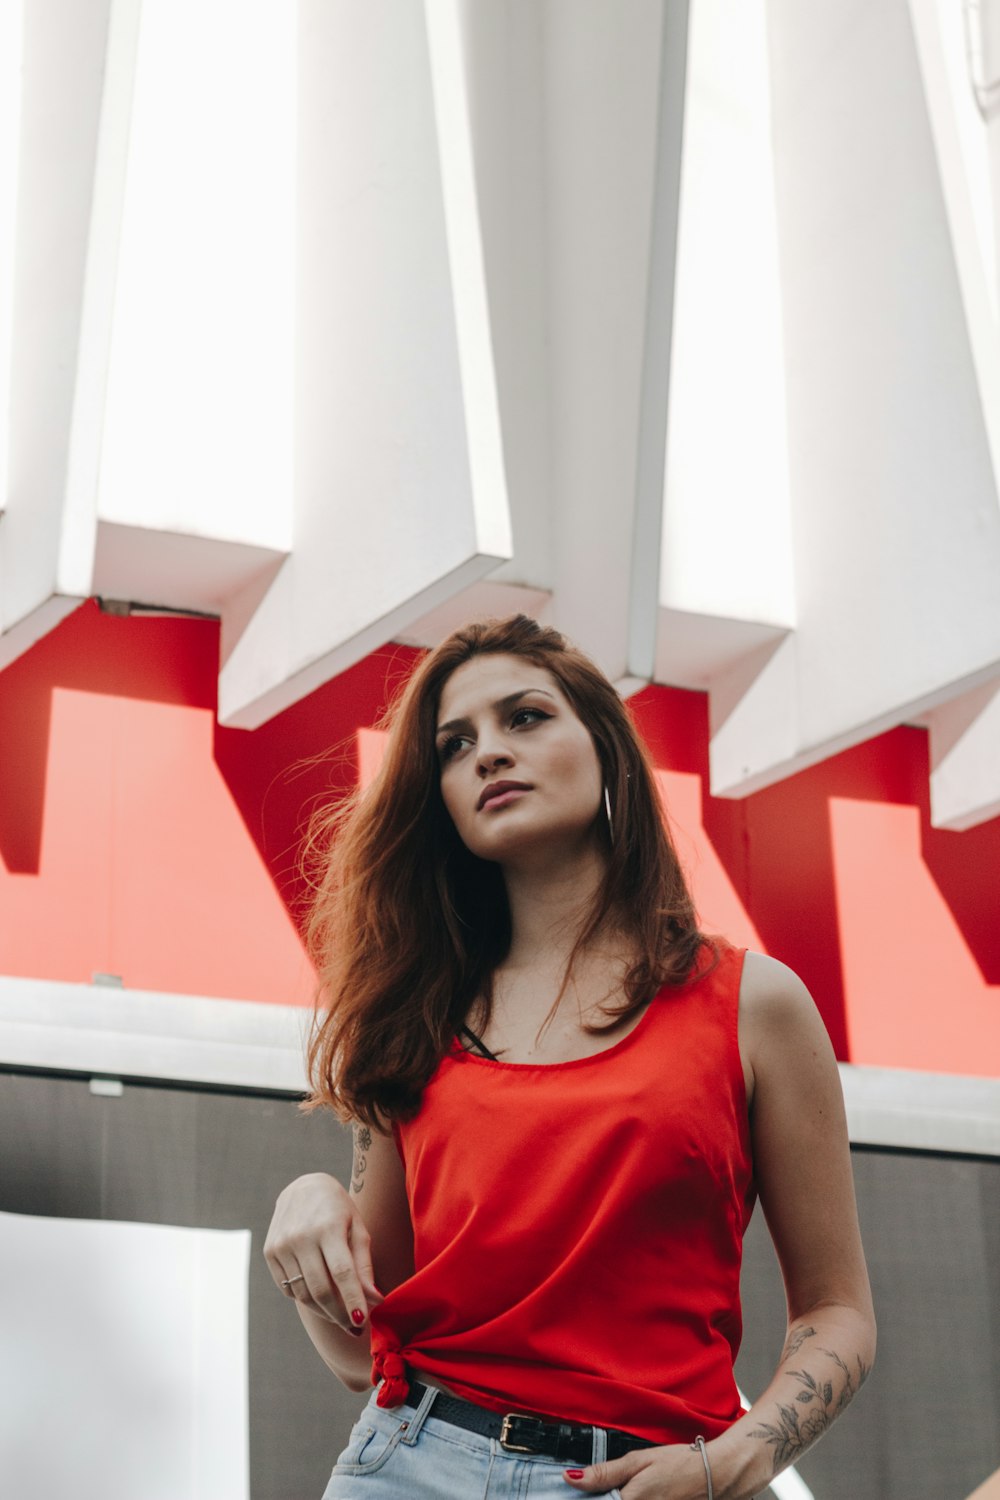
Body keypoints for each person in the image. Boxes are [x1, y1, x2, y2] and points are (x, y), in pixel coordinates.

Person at [264, 615, 875, 1500]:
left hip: (651, 1476)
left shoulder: (755, 1004)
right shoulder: (414, 1020)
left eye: (525, 717)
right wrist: (308, 1205)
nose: (487, 753)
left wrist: (745, 1457)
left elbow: (839, 1310)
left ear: (606, 751)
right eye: (453, 744)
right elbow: (363, 1352)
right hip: (410, 1465)